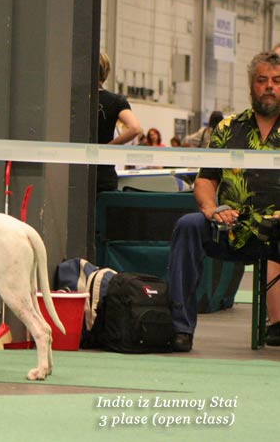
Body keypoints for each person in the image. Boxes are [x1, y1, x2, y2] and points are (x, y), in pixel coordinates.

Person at [167, 51, 280, 352]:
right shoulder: (227, 129)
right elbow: (206, 180)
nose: (269, 86)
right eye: (262, 80)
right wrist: (210, 209)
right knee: (189, 226)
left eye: (277, 81)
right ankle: (180, 328)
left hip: (277, 232)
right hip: (232, 227)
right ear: (251, 85)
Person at [97, 51, 143, 192]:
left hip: (74, 171)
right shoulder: (116, 101)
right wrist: (108, 147)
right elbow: (134, 128)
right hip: (103, 173)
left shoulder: (72, 99)